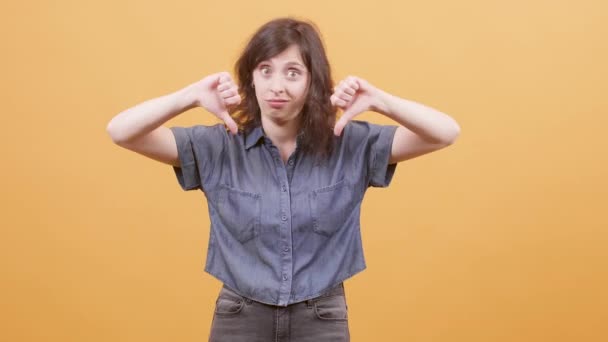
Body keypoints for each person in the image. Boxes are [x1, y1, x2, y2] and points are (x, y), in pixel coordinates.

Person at [106, 17, 460, 342]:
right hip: (239, 316)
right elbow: (121, 132)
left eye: (293, 72)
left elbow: (445, 133)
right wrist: (190, 96)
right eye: (266, 70)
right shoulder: (217, 146)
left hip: (321, 317)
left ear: (312, 83)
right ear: (251, 79)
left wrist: (381, 101)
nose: (278, 86)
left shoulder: (349, 143)